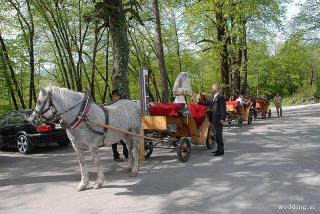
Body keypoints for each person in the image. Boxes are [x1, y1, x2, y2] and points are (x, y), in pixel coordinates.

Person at [196, 84, 226, 156]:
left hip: (218, 119)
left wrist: (222, 119)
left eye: (213, 88)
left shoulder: (220, 97)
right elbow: (208, 103)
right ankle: (219, 149)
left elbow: (223, 108)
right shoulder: (214, 97)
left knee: (218, 135)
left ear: (217, 88)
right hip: (213, 118)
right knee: (216, 135)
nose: (212, 89)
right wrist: (199, 101)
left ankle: (221, 150)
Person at [110, 89, 129, 161]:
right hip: (113, 124)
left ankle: (126, 153)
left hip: (121, 124)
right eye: (114, 96)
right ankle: (116, 156)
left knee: (123, 141)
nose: (114, 97)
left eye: (116, 96)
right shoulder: (111, 104)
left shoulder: (121, 103)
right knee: (114, 142)